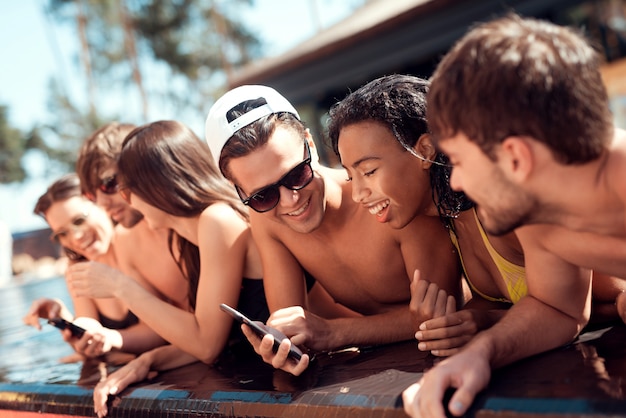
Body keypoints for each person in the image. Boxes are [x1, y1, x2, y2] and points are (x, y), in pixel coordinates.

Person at [402, 14, 626, 417]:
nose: (455, 183)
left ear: (515, 158)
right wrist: (479, 355)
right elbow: (557, 308)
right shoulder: (540, 210)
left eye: (459, 161)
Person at [204, 85, 463, 376]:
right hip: (382, 370)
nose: (291, 200)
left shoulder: (389, 198)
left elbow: (445, 314)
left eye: (296, 173)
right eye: (263, 195)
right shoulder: (267, 220)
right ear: (239, 191)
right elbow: (290, 326)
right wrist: (285, 348)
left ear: (310, 144)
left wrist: (334, 333)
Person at [64, 121, 268, 417]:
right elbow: (216, 333)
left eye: (120, 185)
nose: (120, 198)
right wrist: (147, 361)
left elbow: (206, 343)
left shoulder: (214, 221)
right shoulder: (189, 238)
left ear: (156, 178)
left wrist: (120, 286)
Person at [327, 74, 525, 356]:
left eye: (369, 172)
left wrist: (485, 321)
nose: (358, 194)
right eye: (350, 177)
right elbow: (500, 303)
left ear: (424, 150)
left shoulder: (500, 206)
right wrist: (450, 323)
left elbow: (579, 306)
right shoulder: (451, 221)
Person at [24, 173, 168, 358]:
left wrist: (110, 338)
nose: (75, 237)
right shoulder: (77, 267)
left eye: (79, 220)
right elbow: (90, 330)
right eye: (62, 233)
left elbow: (162, 329)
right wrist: (67, 321)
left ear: (100, 203)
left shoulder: (135, 240)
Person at [75, 122, 188, 310]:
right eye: (91, 195)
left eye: (108, 184)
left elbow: (206, 336)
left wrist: (118, 286)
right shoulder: (124, 239)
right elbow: (157, 326)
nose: (102, 202)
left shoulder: (197, 221)